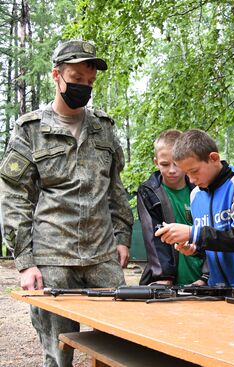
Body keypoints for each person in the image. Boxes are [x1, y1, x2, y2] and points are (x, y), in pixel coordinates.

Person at [0, 40, 133, 367]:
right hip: (53, 260)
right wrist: (26, 262)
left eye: (89, 82)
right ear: (56, 76)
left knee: (124, 346)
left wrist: (123, 237)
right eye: (76, 78)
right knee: (59, 355)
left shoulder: (103, 127)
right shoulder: (30, 129)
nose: (84, 88)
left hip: (102, 256)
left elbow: (115, 187)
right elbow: (15, 197)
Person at [154, 129, 234, 287]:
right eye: (187, 174)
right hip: (218, 288)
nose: (191, 179)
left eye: (194, 171)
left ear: (214, 158)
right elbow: (211, 242)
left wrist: (193, 233)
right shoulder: (195, 195)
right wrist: (194, 248)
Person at [137, 129, 207, 286]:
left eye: (177, 163)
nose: (172, 170)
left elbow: (210, 232)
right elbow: (153, 236)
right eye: (165, 164)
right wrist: (163, 276)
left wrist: (207, 275)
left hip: (201, 277)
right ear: (156, 162)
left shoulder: (201, 187)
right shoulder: (149, 192)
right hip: (168, 278)